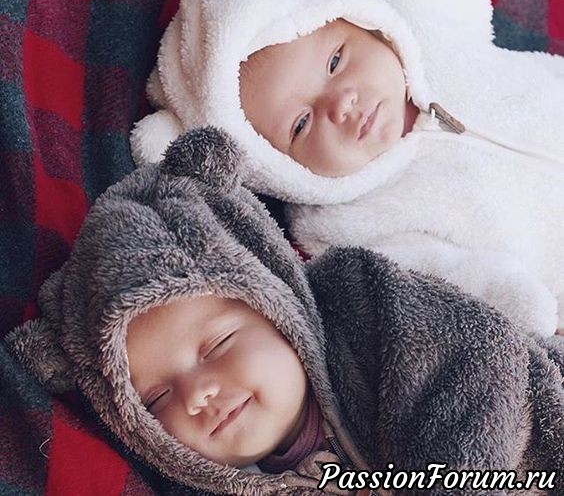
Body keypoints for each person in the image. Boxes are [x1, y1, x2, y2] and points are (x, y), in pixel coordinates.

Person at [6, 128, 564, 495]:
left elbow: (482, 361)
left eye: (217, 345)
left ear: (275, 305)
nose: (198, 394)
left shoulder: (361, 303)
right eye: (155, 400)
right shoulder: (202, 484)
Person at [131, 0, 564, 337]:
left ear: (364, 21)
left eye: (335, 62)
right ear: (277, 169)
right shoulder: (343, 225)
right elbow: (438, 275)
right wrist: (508, 296)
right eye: (301, 124)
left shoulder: (421, 22)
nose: (340, 104)